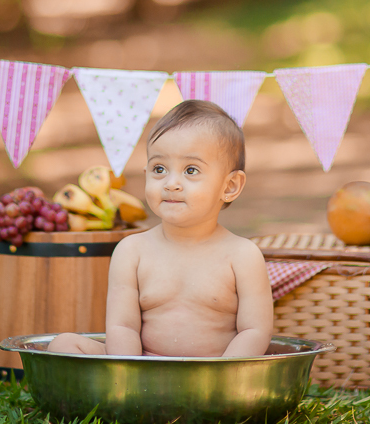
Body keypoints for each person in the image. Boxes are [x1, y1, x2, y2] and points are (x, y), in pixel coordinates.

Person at [48, 99, 274, 357]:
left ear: (230, 186)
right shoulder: (132, 251)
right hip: (145, 366)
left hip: (211, 371)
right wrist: (130, 375)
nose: (171, 183)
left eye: (191, 170)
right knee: (63, 344)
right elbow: (123, 326)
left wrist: (221, 378)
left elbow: (255, 331)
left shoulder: (242, 255)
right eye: (159, 169)